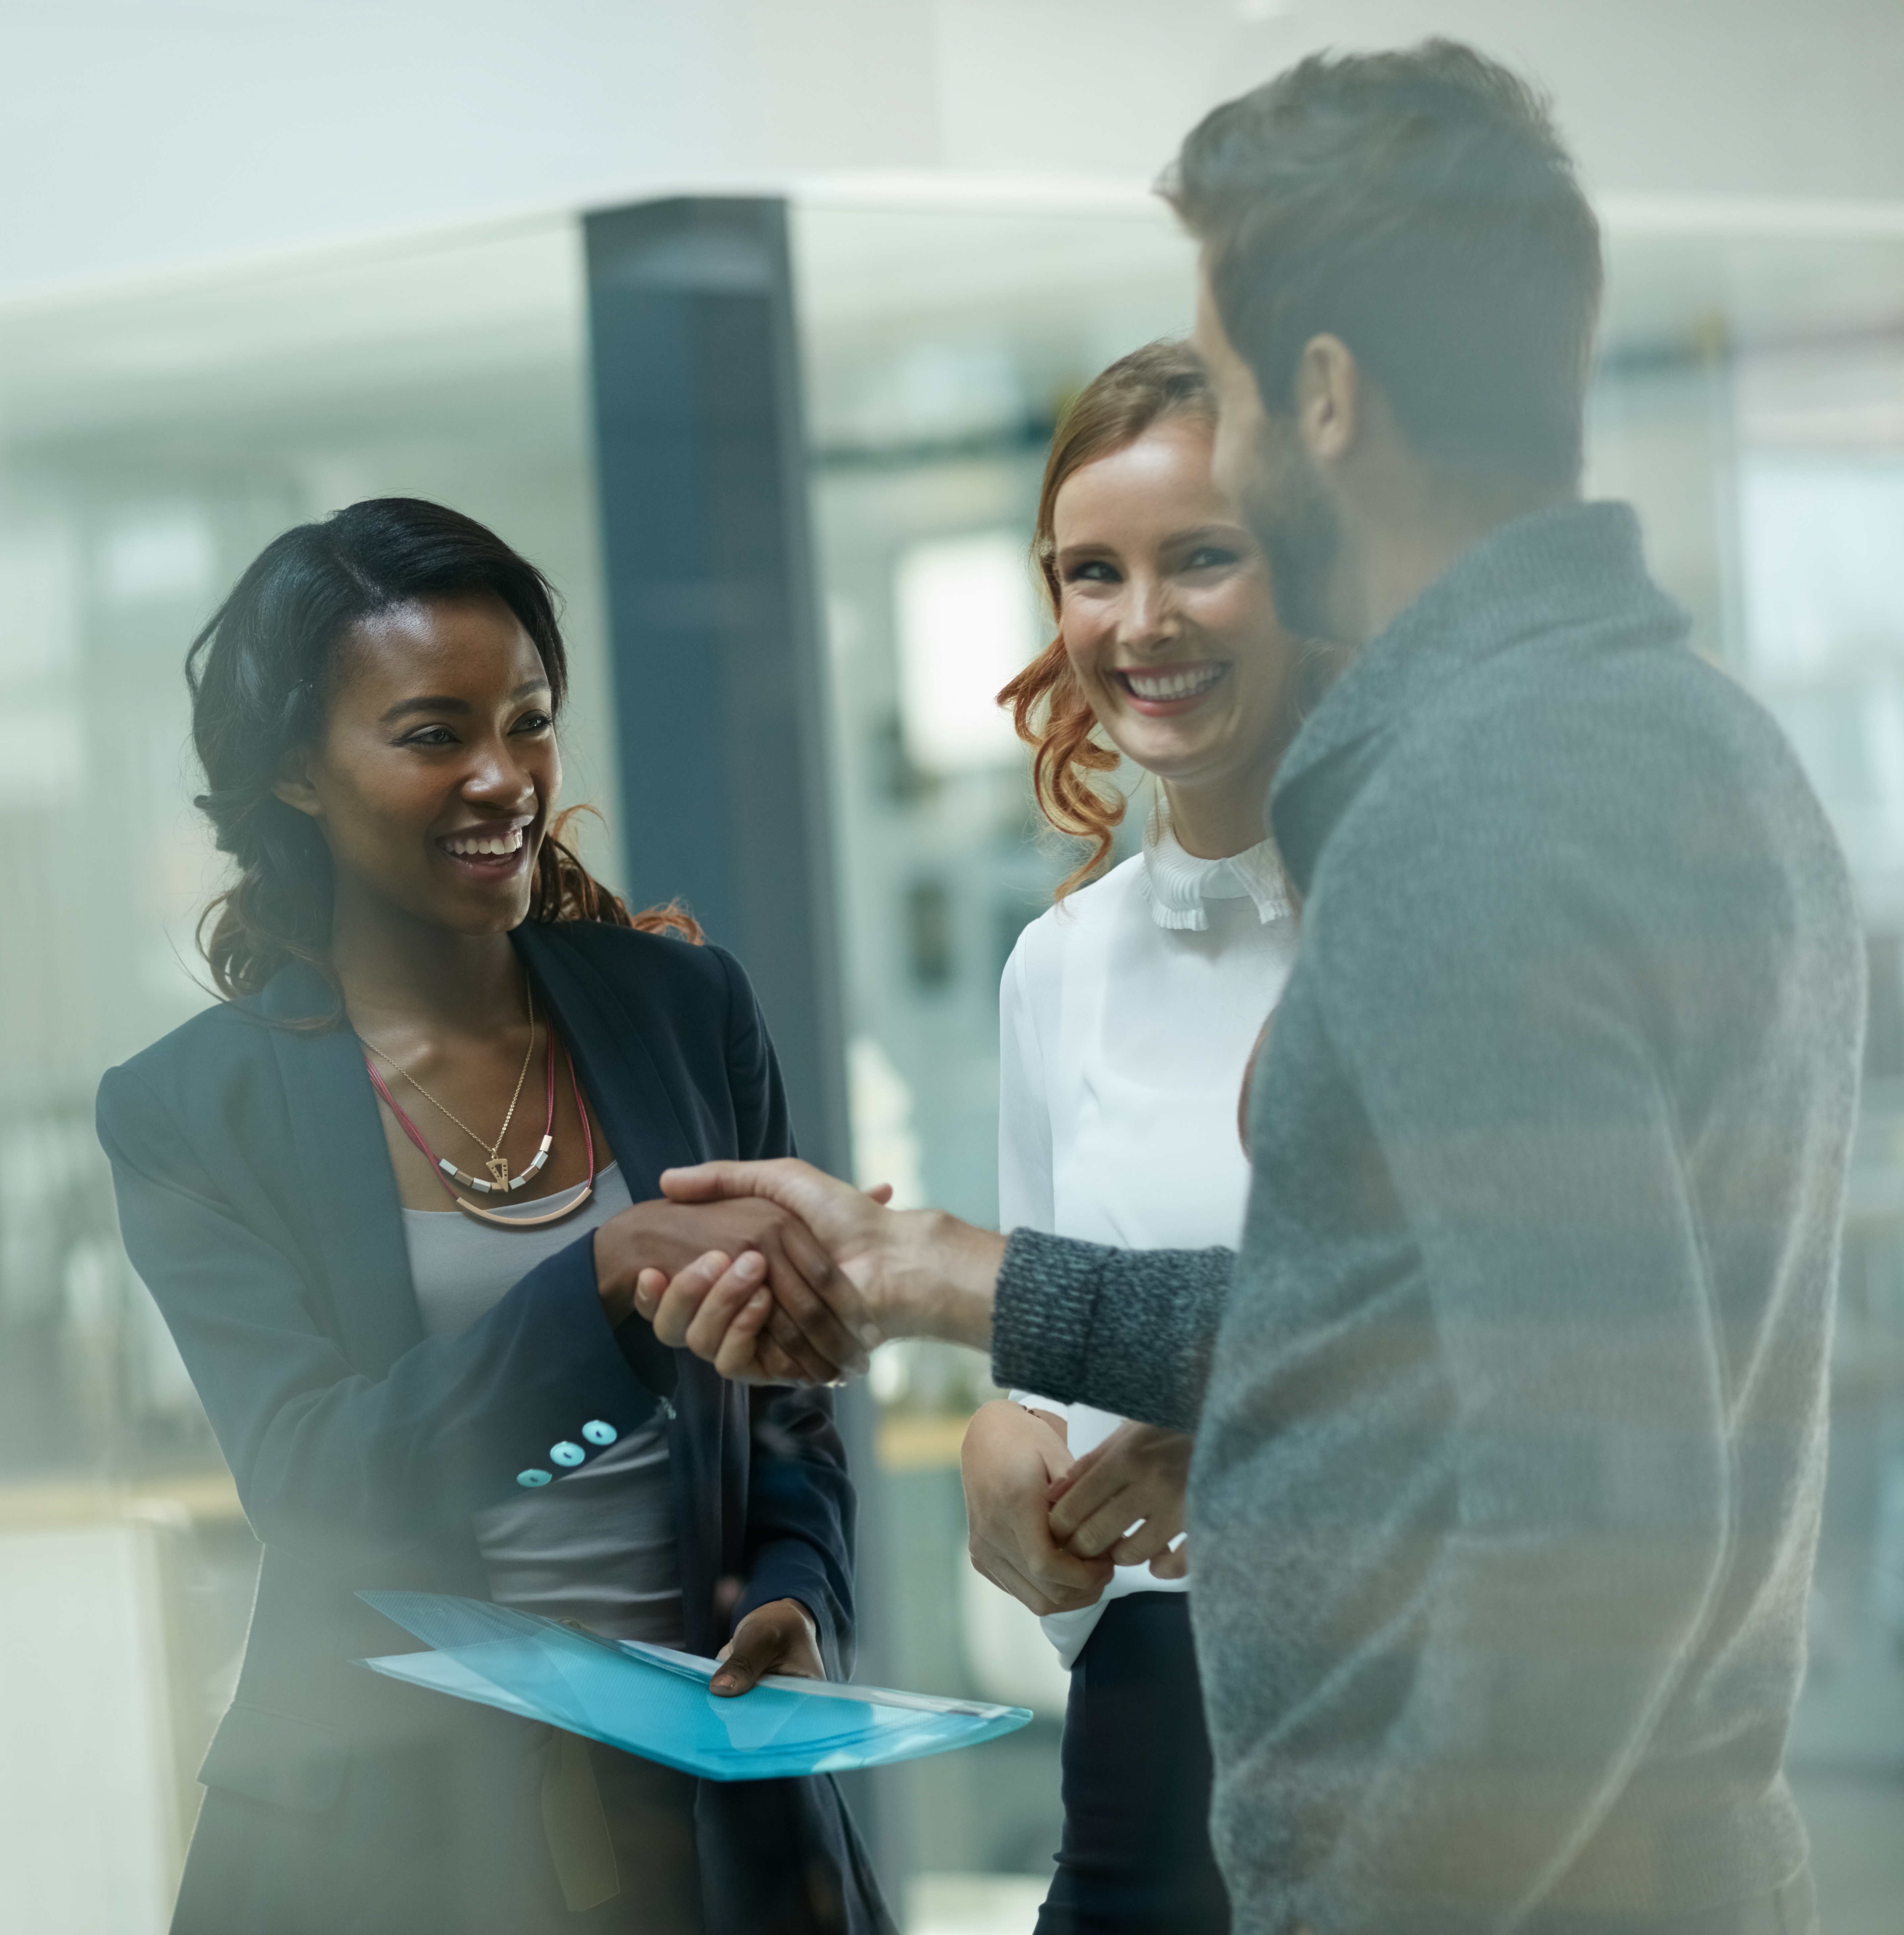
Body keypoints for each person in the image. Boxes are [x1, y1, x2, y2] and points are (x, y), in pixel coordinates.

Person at [646, 42, 1862, 1935]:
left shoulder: (1480, 816)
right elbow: (1425, 1355)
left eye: (1221, 377)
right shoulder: (1693, 744)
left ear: (1323, 398)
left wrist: (1333, 1899)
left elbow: (1578, 1521)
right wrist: (925, 1286)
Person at [95, 497, 891, 1935]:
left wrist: (800, 1593)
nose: (502, 777)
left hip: (710, 1819)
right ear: (294, 774)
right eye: (430, 734)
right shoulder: (192, 1110)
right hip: (400, 1837)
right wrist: (594, 1286)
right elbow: (317, 1480)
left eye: (527, 721)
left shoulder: (685, 1009)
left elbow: (786, 1415)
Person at [963, 336, 1312, 1934]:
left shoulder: (1433, 931)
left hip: (1399, 1736)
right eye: (1090, 571)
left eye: (1203, 559)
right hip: (1142, 1761)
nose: (1140, 622)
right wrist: (1002, 1454)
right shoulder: (1058, 967)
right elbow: (1038, 1366)